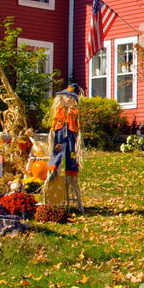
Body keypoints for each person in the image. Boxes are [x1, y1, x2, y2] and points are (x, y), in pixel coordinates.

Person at [43, 84, 84, 213]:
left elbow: (78, 125)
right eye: (66, 96)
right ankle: (53, 169)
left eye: (70, 97)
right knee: (57, 152)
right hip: (60, 134)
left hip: (71, 135)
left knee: (72, 156)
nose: (68, 99)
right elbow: (54, 124)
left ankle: (71, 175)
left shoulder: (75, 112)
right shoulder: (59, 110)